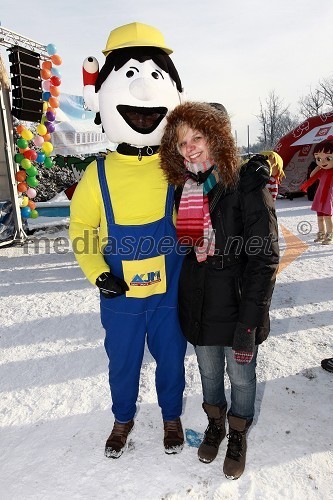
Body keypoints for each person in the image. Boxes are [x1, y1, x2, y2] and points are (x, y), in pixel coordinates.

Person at [69, 22, 187, 459]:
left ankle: (171, 416)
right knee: (122, 360)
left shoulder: (178, 167)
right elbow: (80, 229)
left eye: (155, 76)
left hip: (168, 288)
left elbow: (207, 205)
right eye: (130, 75)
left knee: (172, 356)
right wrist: (99, 273)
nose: (141, 96)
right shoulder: (97, 174)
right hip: (120, 291)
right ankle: (122, 418)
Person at [159, 101, 279, 480]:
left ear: (217, 137)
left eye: (197, 137)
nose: (190, 148)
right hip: (199, 301)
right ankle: (215, 424)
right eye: (181, 143)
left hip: (238, 303)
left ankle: (238, 433)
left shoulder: (247, 181)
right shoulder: (185, 186)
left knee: (241, 377)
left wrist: (251, 320)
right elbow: (188, 251)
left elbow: (264, 259)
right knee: (209, 374)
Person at [300, 136, 333, 245]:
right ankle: (321, 233)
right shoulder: (322, 171)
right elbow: (312, 175)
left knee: (328, 216)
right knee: (320, 217)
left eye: (327, 158)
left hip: (329, 196)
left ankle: (330, 235)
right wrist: (318, 166)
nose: (322, 161)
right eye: (318, 159)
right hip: (320, 196)